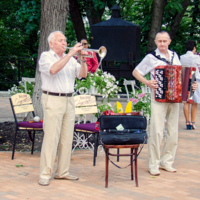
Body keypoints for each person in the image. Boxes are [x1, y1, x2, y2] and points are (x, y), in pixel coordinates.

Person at [132, 31, 198, 176]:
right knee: (156, 131)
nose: (162, 44)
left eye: (164, 41)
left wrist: (191, 86)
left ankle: (167, 162)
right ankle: (153, 164)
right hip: (159, 98)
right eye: (159, 41)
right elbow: (136, 72)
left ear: (169, 41)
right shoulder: (151, 58)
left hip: (174, 100)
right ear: (156, 42)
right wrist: (148, 82)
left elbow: (183, 76)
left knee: (173, 132)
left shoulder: (175, 56)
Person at [38, 30, 88, 186]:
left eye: (65, 40)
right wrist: (70, 54)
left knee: (67, 139)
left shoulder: (71, 60)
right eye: (60, 40)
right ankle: (45, 173)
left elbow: (83, 75)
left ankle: (63, 172)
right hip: (53, 98)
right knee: (51, 138)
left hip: (69, 100)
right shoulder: (46, 56)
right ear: (51, 43)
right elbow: (53, 70)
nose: (64, 43)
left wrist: (83, 61)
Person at [180, 40, 200, 129]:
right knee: (195, 102)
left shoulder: (182, 57)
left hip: (185, 80)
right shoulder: (197, 58)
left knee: (186, 102)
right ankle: (193, 122)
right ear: (194, 47)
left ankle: (187, 122)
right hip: (195, 80)